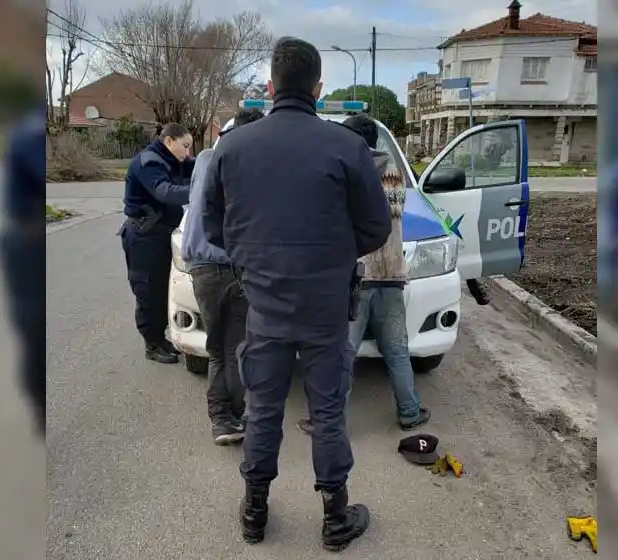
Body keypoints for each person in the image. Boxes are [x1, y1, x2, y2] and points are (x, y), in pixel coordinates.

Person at [201, 37, 391, 551]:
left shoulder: (233, 147)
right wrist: (331, 254)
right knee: (327, 411)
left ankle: (254, 512)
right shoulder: (346, 146)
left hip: (263, 303)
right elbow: (376, 228)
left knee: (262, 409)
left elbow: (213, 227)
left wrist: (254, 259)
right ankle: (334, 517)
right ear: (318, 87)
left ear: (270, 86)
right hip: (326, 307)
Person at [295, 113, 431, 437]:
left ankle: (327, 421)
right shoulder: (397, 175)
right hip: (393, 275)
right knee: (397, 351)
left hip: (358, 277)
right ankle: (410, 412)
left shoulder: (349, 172)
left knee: (344, 353)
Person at [181, 108, 264, 445]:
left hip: (200, 267)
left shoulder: (203, 158)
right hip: (234, 266)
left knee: (217, 348)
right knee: (238, 347)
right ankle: (231, 417)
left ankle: (222, 419)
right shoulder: (251, 163)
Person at [120, 122, 195, 364]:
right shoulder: (149, 162)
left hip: (162, 233)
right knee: (149, 290)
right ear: (169, 141)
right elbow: (164, 192)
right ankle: (152, 343)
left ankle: (162, 336)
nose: (188, 152)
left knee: (165, 287)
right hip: (144, 235)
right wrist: (201, 190)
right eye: (185, 146)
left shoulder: (175, 160)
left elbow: (200, 166)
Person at [0, 106, 46, 436]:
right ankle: (40, 410)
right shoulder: (32, 130)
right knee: (33, 328)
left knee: (35, 330)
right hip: (28, 241)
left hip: (33, 236)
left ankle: (40, 409)